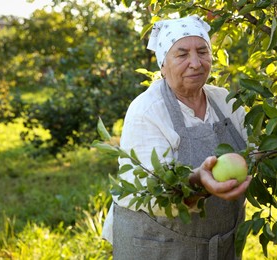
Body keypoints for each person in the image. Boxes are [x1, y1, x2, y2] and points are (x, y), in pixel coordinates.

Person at [102, 15, 252, 260]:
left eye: (202, 51)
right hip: (159, 244)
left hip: (218, 245)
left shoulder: (224, 101)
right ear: (163, 64)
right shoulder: (147, 111)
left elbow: (256, 150)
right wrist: (197, 180)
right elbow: (155, 191)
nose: (196, 63)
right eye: (182, 54)